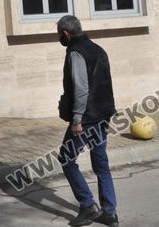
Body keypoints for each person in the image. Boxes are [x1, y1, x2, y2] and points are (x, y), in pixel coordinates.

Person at [55, 15, 119, 227]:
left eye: (60, 34)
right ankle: (109, 212)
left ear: (66, 33)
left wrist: (77, 119)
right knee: (101, 162)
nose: (60, 38)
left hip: (87, 118)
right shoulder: (98, 49)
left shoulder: (76, 52)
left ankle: (88, 205)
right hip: (103, 114)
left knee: (66, 158)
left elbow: (81, 88)